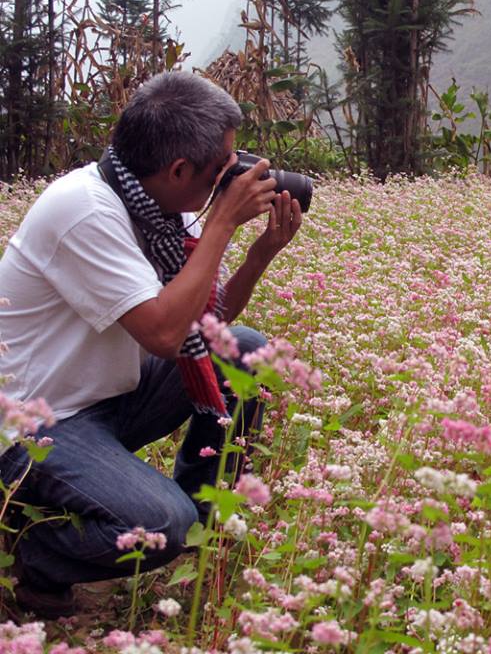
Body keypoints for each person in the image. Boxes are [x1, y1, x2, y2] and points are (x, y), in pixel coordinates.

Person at [0, 71, 302, 618]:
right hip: (36, 425)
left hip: (106, 401)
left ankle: (202, 524)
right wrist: (222, 228)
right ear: (179, 169)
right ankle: (30, 553)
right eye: (223, 167)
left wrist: (261, 254)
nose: (231, 178)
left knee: (244, 350)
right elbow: (165, 335)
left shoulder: (160, 207)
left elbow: (203, 323)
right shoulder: (85, 209)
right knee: (160, 523)